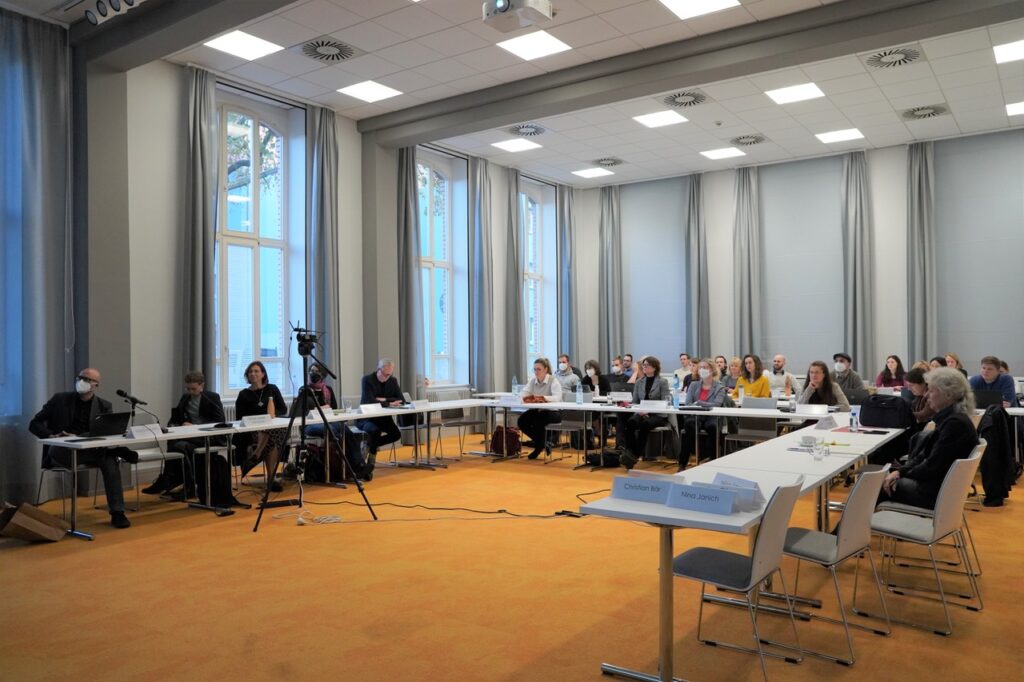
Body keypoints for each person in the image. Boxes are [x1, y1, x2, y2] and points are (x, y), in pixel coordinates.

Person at [29, 368, 138, 529]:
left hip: (91, 450)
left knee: (110, 461)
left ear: (96, 385)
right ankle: (114, 451)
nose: (82, 381)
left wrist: (80, 437)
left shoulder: (104, 405)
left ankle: (117, 512)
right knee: (107, 454)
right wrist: (51, 436)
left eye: (87, 380)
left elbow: (108, 434)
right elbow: (34, 423)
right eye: (80, 378)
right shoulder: (59, 399)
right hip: (62, 451)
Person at [879, 367, 978, 509]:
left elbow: (931, 467)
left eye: (931, 390)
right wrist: (899, 471)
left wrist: (900, 475)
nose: (926, 396)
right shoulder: (951, 419)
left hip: (935, 494)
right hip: (939, 488)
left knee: (873, 486)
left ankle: (845, 531)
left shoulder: (955, 424)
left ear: (949, 394)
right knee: (880, 482)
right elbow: (925, 457)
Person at [143, 371, 237, 506]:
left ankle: (178, 482)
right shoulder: (185, 398)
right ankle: (174, 480)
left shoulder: (212, 397)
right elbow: (176, 417)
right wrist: (172, 425)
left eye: (194, 388)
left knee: (179, 446)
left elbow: (219, 421)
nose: (191, 391)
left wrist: (195, 425)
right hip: (190, 435)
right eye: (188, 388)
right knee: (174, 442)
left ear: (201, 385)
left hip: (207, 436)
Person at [302, 364, 371, 481]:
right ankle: (345, 468)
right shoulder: (305, 390)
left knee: (347, 431)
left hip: (329, 420)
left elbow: (334, 409)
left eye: (316, 371)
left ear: (323, 375)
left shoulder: (328, 390)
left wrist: (327, 410)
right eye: (311, 371)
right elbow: (303, 411)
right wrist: (320, 409)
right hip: (310, 425)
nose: (312, 373)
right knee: (334, 432)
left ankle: (359, 465)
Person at [234, 361, 288, 493]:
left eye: (256, 371)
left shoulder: (272, 389)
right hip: (253, 431)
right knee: (272, 438)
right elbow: (240, 417)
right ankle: (271, 478)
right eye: (250, 371)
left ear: (263, 374)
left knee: (272, 432)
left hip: (274, 427)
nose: (253, 374)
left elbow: (283, 409)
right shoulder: (243, 394)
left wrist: (273, 415)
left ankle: (257, 453)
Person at [618, 357, 673, 470]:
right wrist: (639, 411)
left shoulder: (662, 382)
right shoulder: (639, 382)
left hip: (658, 414)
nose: (644, 367)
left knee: (645, 425)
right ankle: (630, 451)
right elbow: (635, 401)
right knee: (631, 422)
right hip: (642, 411)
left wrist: (649, 411)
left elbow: (665, 401)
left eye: (647, 365)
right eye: (643, 365)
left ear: (654, 367)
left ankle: (635, 454)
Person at [356, 359, 404, 466]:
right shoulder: (367, 379)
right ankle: (372, 456)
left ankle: (369, 445)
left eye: (389, 375)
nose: (387, 377)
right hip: (367, 417)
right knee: (375, 431)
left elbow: (401, 399)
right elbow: (370, 401)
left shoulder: (392, 380)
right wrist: (390, 403)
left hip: (383, 418)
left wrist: (383, 399)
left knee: (396, 434)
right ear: (379, 370)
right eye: (385, 374)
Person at [680, 359, 728, 465]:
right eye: (700, 367)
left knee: (712, 427)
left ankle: (714, 460)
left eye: (705, 367)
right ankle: (682, 463)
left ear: (712, 370)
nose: (702, 370)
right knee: (689, 426)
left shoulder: (719, 387)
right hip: (696, 415)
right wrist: (702, 404)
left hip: (712, 417)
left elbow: (716, 404)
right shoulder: (693, 385)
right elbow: (688, 403)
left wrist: (698, 402)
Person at [518, 357, 562, 459]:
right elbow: (524, 392)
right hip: (538, 410)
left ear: (545, 369)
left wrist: (543, 398)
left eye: (539, 369)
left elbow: (557, 397)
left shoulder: (553, 380)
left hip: (553, 412)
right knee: (522, 421)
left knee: (539, 420)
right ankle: (543, 443)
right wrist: (521, 397)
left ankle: (538, 447)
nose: (536, 372)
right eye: (535, 369)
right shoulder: (533, 380)